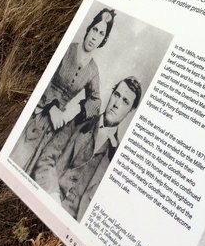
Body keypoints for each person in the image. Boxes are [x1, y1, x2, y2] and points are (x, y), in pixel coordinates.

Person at [10, 8, 116, 174]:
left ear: (104, 39)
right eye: (95, 29)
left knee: (31, 170)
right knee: (15, 157)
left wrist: (72, 112)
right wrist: (51, 107)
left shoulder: (93, 70)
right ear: (89, 28)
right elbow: (43, 76)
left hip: (54, 128)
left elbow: (96, 102)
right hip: (36, 112)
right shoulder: (67, 49)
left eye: (101, 33)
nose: (95, 36)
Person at [32, 76, 142, 221]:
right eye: (117, 95)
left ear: (131, 111)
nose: (116, 104)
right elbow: (47, 158)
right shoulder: (81, 121)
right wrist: (52, 194)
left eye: (125, 101)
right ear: (111, 94)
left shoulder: (117, 155)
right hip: (47, 198)